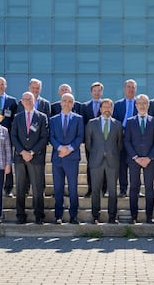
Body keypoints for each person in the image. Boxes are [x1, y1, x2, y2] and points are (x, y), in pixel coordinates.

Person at [11, 92, 49, 224]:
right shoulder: (17, 117)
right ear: (21, 102)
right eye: (25, 99)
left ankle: (39, 215)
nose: (27, 101)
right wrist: (22, 151)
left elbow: (44, 137)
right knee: (20, 188)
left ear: (34, 101)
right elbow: (13, 136)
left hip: (36, 158)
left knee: (37, 188)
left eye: (30, 99)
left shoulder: (42, 117)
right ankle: (20, 215)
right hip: (20, 158)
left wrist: (31, 152)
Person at [124, 94, 154, 224]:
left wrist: (149, 157)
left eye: (145, 103)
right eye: (139, 103)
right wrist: (136, 157)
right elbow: (127, 141)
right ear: (136, 105)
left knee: (149, 188)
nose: (142, 105)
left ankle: (149, 216)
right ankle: (134, 216)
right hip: (134, 159)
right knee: (134, 187)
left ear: (148, 105)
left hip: (150, 160)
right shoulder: (130, 121)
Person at [85, 98, 122, 224]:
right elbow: (88, 144)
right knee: (95, 190)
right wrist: (98, 153)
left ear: (112, 109)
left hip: (112, 162)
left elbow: (119, 144)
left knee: (112, 190)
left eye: (109, 107)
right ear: (100, 109)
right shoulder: (91, 123)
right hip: (96, 161)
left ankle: (112, 216)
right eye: (104, 107)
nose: (107, 109)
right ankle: (95, 216)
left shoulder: (117, 124)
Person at [49, 93, 84, 224]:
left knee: (73, 188)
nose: (67, 103)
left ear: (73, 104)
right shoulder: (53, 119)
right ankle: (58, 215)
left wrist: (68, 149)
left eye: (70, 101)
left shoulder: (78, 119)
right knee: (58, 188)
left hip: (72, 158)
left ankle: (73, 215)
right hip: (57, 158)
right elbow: (51, 137)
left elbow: (80, 136)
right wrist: (60, 148)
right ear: (60, 103)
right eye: (64, 101)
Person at [113, 79, 138, 197]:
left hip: (136, 140)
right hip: (122, 138)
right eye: (128, 87)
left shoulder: (140, 103)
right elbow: (115, 121)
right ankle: (123, 189)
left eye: (133, 87)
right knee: (122, 165)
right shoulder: (117, 105)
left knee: (135, 166)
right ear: (124, 89)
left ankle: (136, 190)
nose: (131, 89)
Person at [81, 82, 106, 198]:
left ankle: (104, 189)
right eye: (94, 90)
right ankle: (91, 188)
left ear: (102, 92)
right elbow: (83, 124)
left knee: (105, 164)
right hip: (90, 141)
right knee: (91, 165)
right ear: (91, 92)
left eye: (99, 90)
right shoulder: (84, 106)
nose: (97, 93)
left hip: (105, 141)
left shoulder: (106, 105)